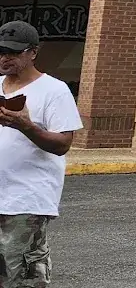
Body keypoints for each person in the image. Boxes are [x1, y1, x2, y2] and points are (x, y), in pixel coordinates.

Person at [0, 21, 82, 288]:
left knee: (20, 278)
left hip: (25, 200)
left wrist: (26, 126)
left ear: (33, 52)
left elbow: (63, 144)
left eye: (13, 52)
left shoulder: (54, 91)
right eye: (1, 51)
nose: (5, 58)